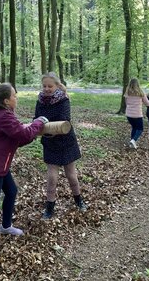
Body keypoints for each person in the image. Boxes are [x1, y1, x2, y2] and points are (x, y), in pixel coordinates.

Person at [0, 83, 47, 263]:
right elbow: (22, 134)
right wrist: (38, 123)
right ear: (6, 101)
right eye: (14, 95)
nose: (17, 97)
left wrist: (34, 133)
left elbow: (18, 138)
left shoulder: (4, 115)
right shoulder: (4, 116)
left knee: (11, 191)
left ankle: (5, 226)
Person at [34, 72, 86, 220]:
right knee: (51, 177)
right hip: (50, 142)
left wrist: (45, 125)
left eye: (50, 86)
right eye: (44, 86)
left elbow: (64, 120)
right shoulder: (40, 100)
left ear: (57, 86)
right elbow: (36, 118)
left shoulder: (63, 99)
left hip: (66, 141)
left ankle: (79, 201)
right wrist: (41, 127)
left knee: (71, 175)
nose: (47, 89)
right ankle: (49, 207)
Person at [124, 78, 149, 149]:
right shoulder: (141, 92)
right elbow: (147, 103)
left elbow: (126, 103)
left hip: (129, 114)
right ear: (138, 84)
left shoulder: (127, 92)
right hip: (137, 114)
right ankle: (133, 140)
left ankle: (132, 143)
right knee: (140, 129)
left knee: (134, 127)